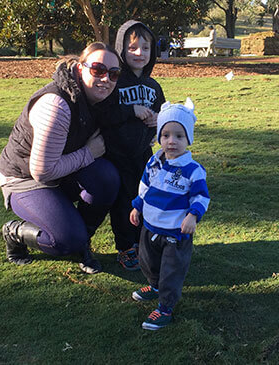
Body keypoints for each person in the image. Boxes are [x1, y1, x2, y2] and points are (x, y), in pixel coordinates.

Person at [0, 42, 122, 274]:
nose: (106, 79)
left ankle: (82, 242)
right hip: (25, 179)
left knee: (107, 177)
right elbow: (42, 171)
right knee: (66, 241)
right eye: (98, 70)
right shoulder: (57, 105)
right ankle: (15, 232)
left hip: (62, 170)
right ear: (80, 67)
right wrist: (89, 153)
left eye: (114, 74)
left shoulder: (98, 99)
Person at [129, 98, 210, 330]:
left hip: (176, 232)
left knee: (171, 272)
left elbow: (201, 197)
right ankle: (154, 286)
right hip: (151, 226)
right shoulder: (154, 161)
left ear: (188, 139)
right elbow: (144, 186)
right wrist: (137, 206)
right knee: (148, 262)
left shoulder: (193, 170)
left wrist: (192, 216)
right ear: (159, 137)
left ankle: (165, 307)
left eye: (179, 136)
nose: (171, 141)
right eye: (165, 135)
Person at [102, 20, 166, 271]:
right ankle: (125, 246)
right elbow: (106, 113)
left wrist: (156, 121)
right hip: (116, 155)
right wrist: (132, 109)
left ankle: (143, 242)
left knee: (146, 198)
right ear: (122, 50)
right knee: (123, 202)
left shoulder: (153, 85)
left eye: (146, 48)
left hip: (143, 155)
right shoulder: (115, 81)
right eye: (133, 48)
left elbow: (161, 113)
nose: (140, 53)